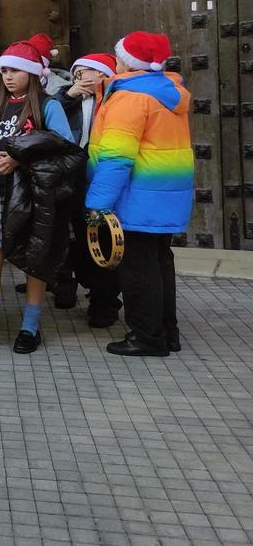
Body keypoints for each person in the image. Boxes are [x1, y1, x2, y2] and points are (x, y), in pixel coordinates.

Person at [0, 40, 74, 356]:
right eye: (5, 71)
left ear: (31, 72)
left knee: (33, 258)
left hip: (33, 194)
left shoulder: (48, 106)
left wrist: (18, 160)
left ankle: (30, 328)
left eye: (15, 70)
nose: (9, 77)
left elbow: (65, 148)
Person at [87, 32, 193, 357]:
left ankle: (147, 336)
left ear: (127, 61)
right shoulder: (167, 92)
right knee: (160, 261)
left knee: (138, 267)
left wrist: (98, 203)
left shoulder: (130, 98)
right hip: (162, 194)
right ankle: (167, 332)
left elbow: (116, 158)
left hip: (137, 195)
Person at [54, 52, 120, 318]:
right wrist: (69, 95)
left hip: (102, 178)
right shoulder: (69, 97)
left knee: (101, 236)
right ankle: (77, 283)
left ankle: (105, 301)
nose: (79, 78)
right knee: (76, 236)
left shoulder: (116, 98)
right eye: (75, 74)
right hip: (73, 177)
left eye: (83, 72)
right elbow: (47, 112)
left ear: (102, 74)